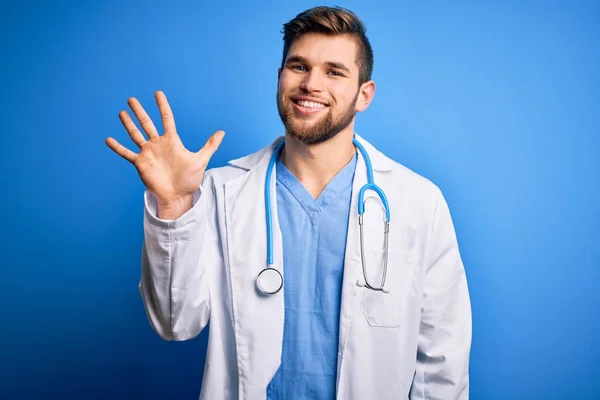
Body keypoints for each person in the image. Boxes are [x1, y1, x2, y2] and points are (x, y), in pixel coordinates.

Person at [106, 6, 471, 400]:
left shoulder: (418, 202)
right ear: (280, 79)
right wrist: (174, 203)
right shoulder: (221, 192)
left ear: (364, 95)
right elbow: (175, 322)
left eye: (334, 71)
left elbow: (442, 361)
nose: (311, 84)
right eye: (299, 67)